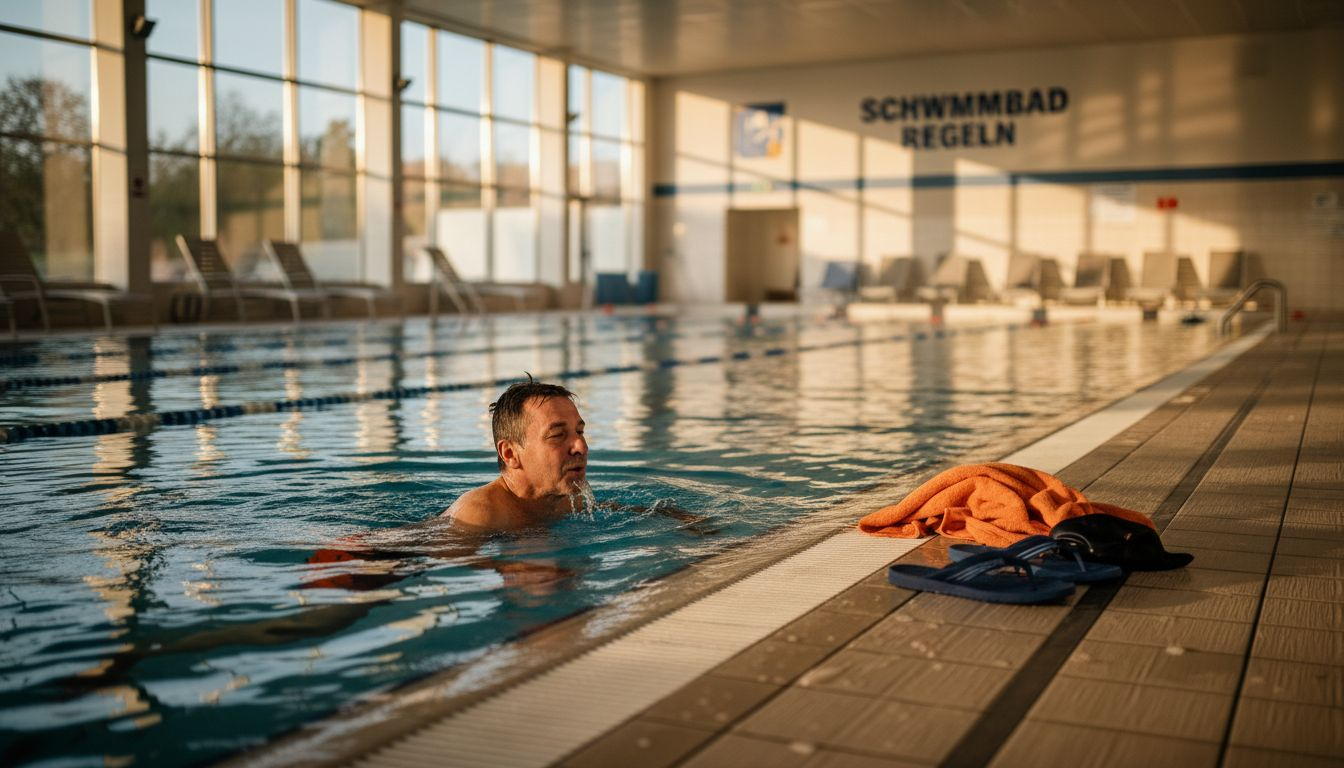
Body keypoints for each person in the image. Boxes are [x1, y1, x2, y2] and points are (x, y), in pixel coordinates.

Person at [444, 378, 590, 530]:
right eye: (558, 435)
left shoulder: (568, 499)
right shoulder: (477, 516)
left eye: (579, 432)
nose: (582, 447)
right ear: (510, 454)